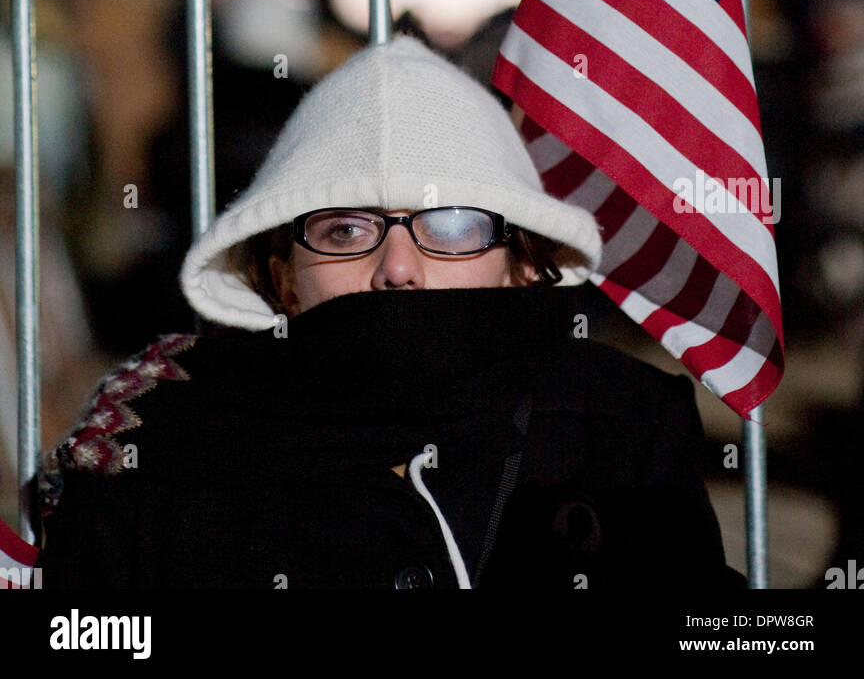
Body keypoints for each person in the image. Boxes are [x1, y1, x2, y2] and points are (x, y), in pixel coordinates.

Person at [34, 35, 741, 590]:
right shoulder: (153, 459)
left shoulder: (618, 426)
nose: (398, 268)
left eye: (454, 225)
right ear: (282, 279)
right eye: (345, 230)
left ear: (526, 263)